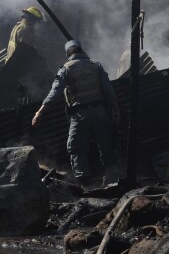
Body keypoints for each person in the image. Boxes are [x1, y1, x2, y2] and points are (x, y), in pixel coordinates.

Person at [31, 40, 119, 186]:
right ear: (81, 50)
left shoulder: (66, 69)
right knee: (106, 146)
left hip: (80, 115)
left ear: (68, 54)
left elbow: (55, 93)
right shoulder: (95, 65)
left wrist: (39, 112)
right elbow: (109, 91)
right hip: (100, 112)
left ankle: (85, 184)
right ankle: (110, 180)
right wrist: (115, 110)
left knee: (76, 148)